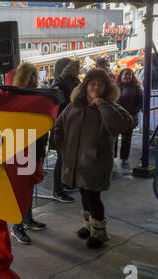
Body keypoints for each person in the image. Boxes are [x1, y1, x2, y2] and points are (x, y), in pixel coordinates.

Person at [54, 68, 133, 249]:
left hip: (95, 163)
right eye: (92, 84)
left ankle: (99, 233)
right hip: (76, 162)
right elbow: (59, 124)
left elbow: (121, 124)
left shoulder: (110, 106)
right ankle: (88, 225)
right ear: (85, 86)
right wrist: (61, 144)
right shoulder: (75, 105)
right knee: (84, 193)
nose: (96, 87)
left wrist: (101, 104)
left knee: (93, 197)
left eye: (100, 84)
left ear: (106, 88)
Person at [10, 62, 48, 244]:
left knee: (30, 189)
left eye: (35, 76)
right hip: (19, 151)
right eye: (30, 76)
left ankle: (27, 219)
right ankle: (17, 226)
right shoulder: (14, 98)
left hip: (34, 148)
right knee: (21, 192)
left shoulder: (38, 96)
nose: (33, 80)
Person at [50, 58, 80, 202]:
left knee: (67, 158)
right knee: (62, 158)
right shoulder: (59, 83)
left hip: (71, 124)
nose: (76, 70)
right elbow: (59, 106)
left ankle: (64, 184)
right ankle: (58, 190)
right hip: (62, 126)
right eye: (73, 67)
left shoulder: (74, 81)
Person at [114, 68, 143, 165]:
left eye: (130, 75)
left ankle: (124, 158)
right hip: (116, 117)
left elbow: (140, 103)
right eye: (126, 74)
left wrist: (132, 112)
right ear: (121, 75)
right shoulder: (115, 87)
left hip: (130, 117)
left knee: (126, 139)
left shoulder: (136, 88)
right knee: (113, 138)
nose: (128, 76)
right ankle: (112, 156)